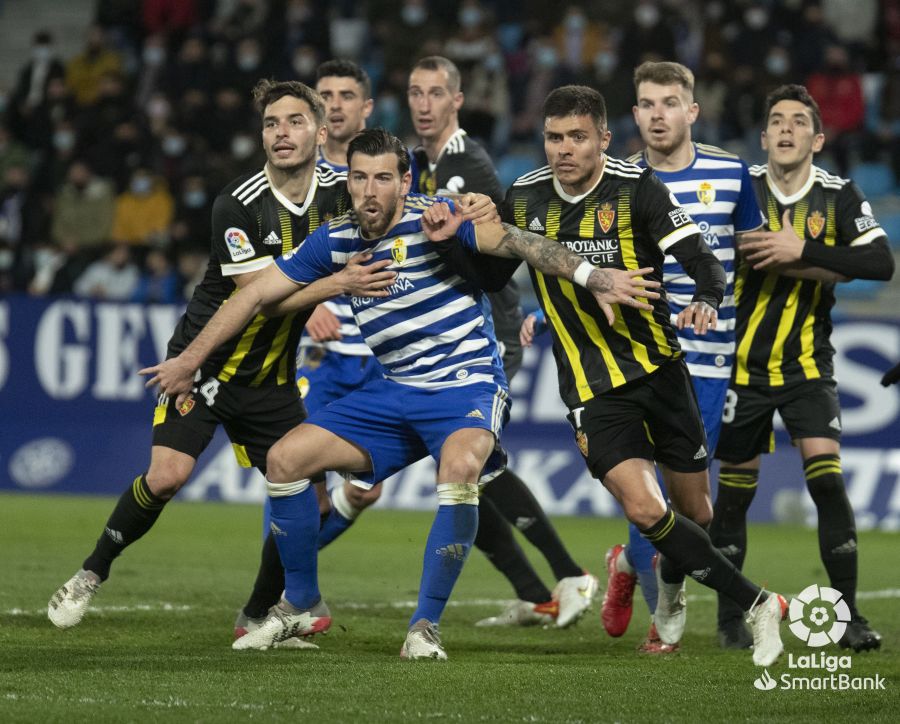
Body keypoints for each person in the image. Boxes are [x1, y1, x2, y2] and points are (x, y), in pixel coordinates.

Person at [141, 127, 652, 659]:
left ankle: (424, 627)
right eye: (359, 177)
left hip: (465, 385)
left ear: (405, 181)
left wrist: (593, 276)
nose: (369, 190)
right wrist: (189, 359)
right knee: (285, 459)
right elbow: (254, 298)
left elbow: (521, 243)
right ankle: (302, 604)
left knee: (459, 471)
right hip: (395, 391)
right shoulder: (336, 240)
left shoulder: (441, 215)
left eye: (383, 178)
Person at [47, 79, 391, 630]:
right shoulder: (239, 203)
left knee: (315, 505)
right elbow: (264, 300)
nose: (282, 134)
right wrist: (335, 285)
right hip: (205, 363)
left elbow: (389, 208)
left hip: (272, 380)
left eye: (295, 122)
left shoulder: (339, 194)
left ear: (322, 131)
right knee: (166, 477)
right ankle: (91, 571)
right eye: (271, 124)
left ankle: (256, 614)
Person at [504, 84, 787, 667]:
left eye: (577, 137)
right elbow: (488, 268)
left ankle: (653, 576)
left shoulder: (638, 190)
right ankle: (761, 604)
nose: (563, 149)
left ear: (603, 139)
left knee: (696, 516)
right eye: (554, 137)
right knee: (645, 508)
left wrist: (707, 297)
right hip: (591, 386)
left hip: (659, 369)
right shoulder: (524, 196)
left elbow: (703, 261)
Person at [712, 84, 895, 652]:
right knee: (735, 497)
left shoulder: (839, 196)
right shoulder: (737, 188)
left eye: (798, 121)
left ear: (817, 138)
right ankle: (728, 620)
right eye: (776, 121)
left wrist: (805, 252)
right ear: (764, 136)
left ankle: (848, 616)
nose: (786, 129)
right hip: (738, 366)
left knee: (828, 484)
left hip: (807, 366)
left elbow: (880, 262)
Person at [596, 60, 765, 653]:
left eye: (670, 102)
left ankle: (625, 566)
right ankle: (664, 614)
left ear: (692, 110)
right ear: (634, 113)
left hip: (711, 361)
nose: (658, 114)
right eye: (646, 103)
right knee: (649, 492)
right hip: (634, 358)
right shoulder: (611, 179)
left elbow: (747, 259)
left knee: (693, 504)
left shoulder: (731, 173)